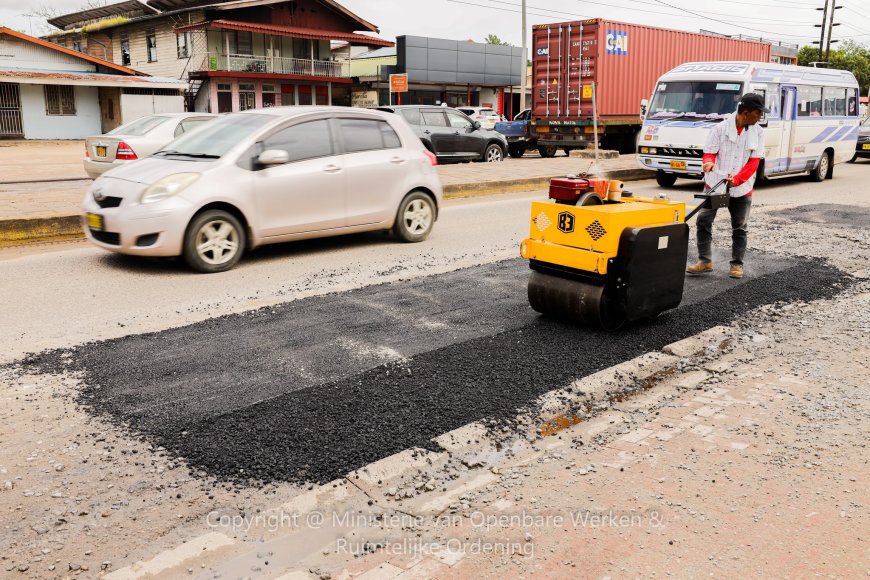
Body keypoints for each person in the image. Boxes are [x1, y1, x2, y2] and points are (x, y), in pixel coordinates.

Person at [686, 92, 768, 279]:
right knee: (703, 221)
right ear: (746, 112)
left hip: (742, 187)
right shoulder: (720, 129)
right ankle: (705, 261)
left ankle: (736, 264)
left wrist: (738, 179)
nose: (760, 117)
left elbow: (754, 162)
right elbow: (709, 153)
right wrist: (708, 162)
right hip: (716, 184)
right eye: (758, 113)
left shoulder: (758, 132)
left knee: (740, 227)